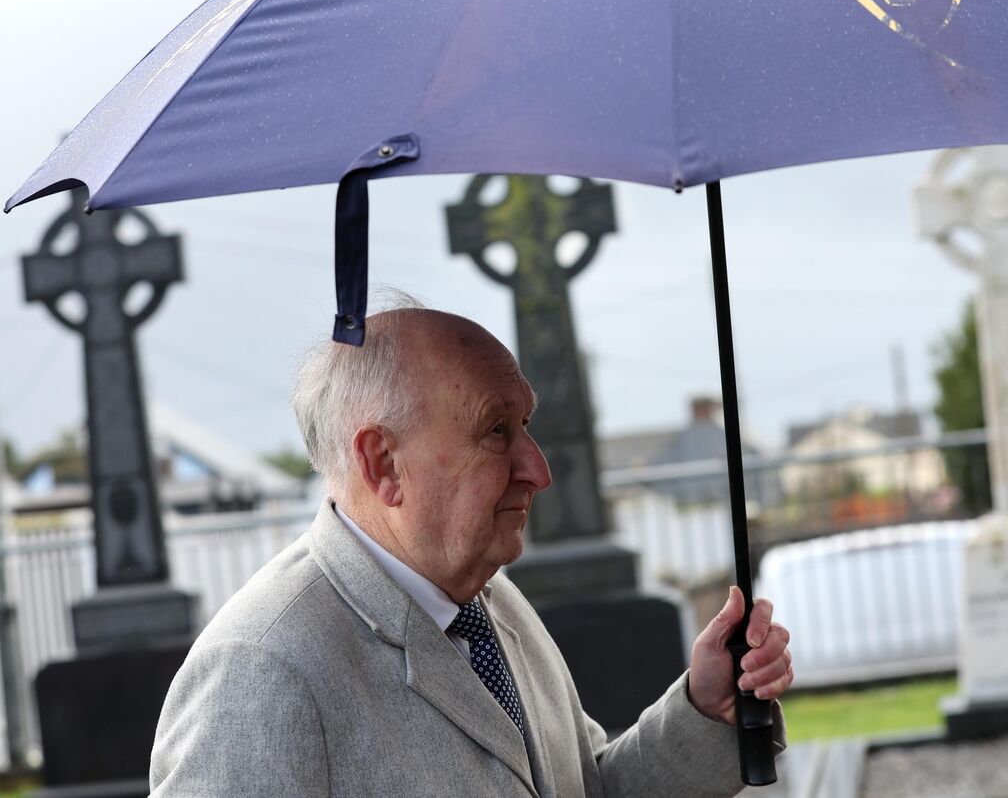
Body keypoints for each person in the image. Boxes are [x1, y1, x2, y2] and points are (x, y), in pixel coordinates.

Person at [150, 301, 790, 797]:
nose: (538, 470)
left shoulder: (490, 600)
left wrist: (705, 709)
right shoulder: (259, 668)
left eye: (526, 426)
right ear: (383, 463)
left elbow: (581, 788)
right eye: (495, 431)